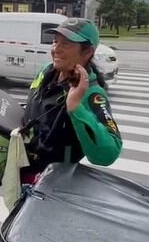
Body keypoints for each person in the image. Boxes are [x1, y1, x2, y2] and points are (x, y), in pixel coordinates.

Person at [19, 18, 123, 186]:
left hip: (54, 187)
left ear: (87, 52)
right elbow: (35, 107)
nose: (56, 49)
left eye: (66, 44)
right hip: (25, 173)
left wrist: (75, 108)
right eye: (55, 41)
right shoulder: (47, 71)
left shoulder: (92, 93)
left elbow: (109, 153)